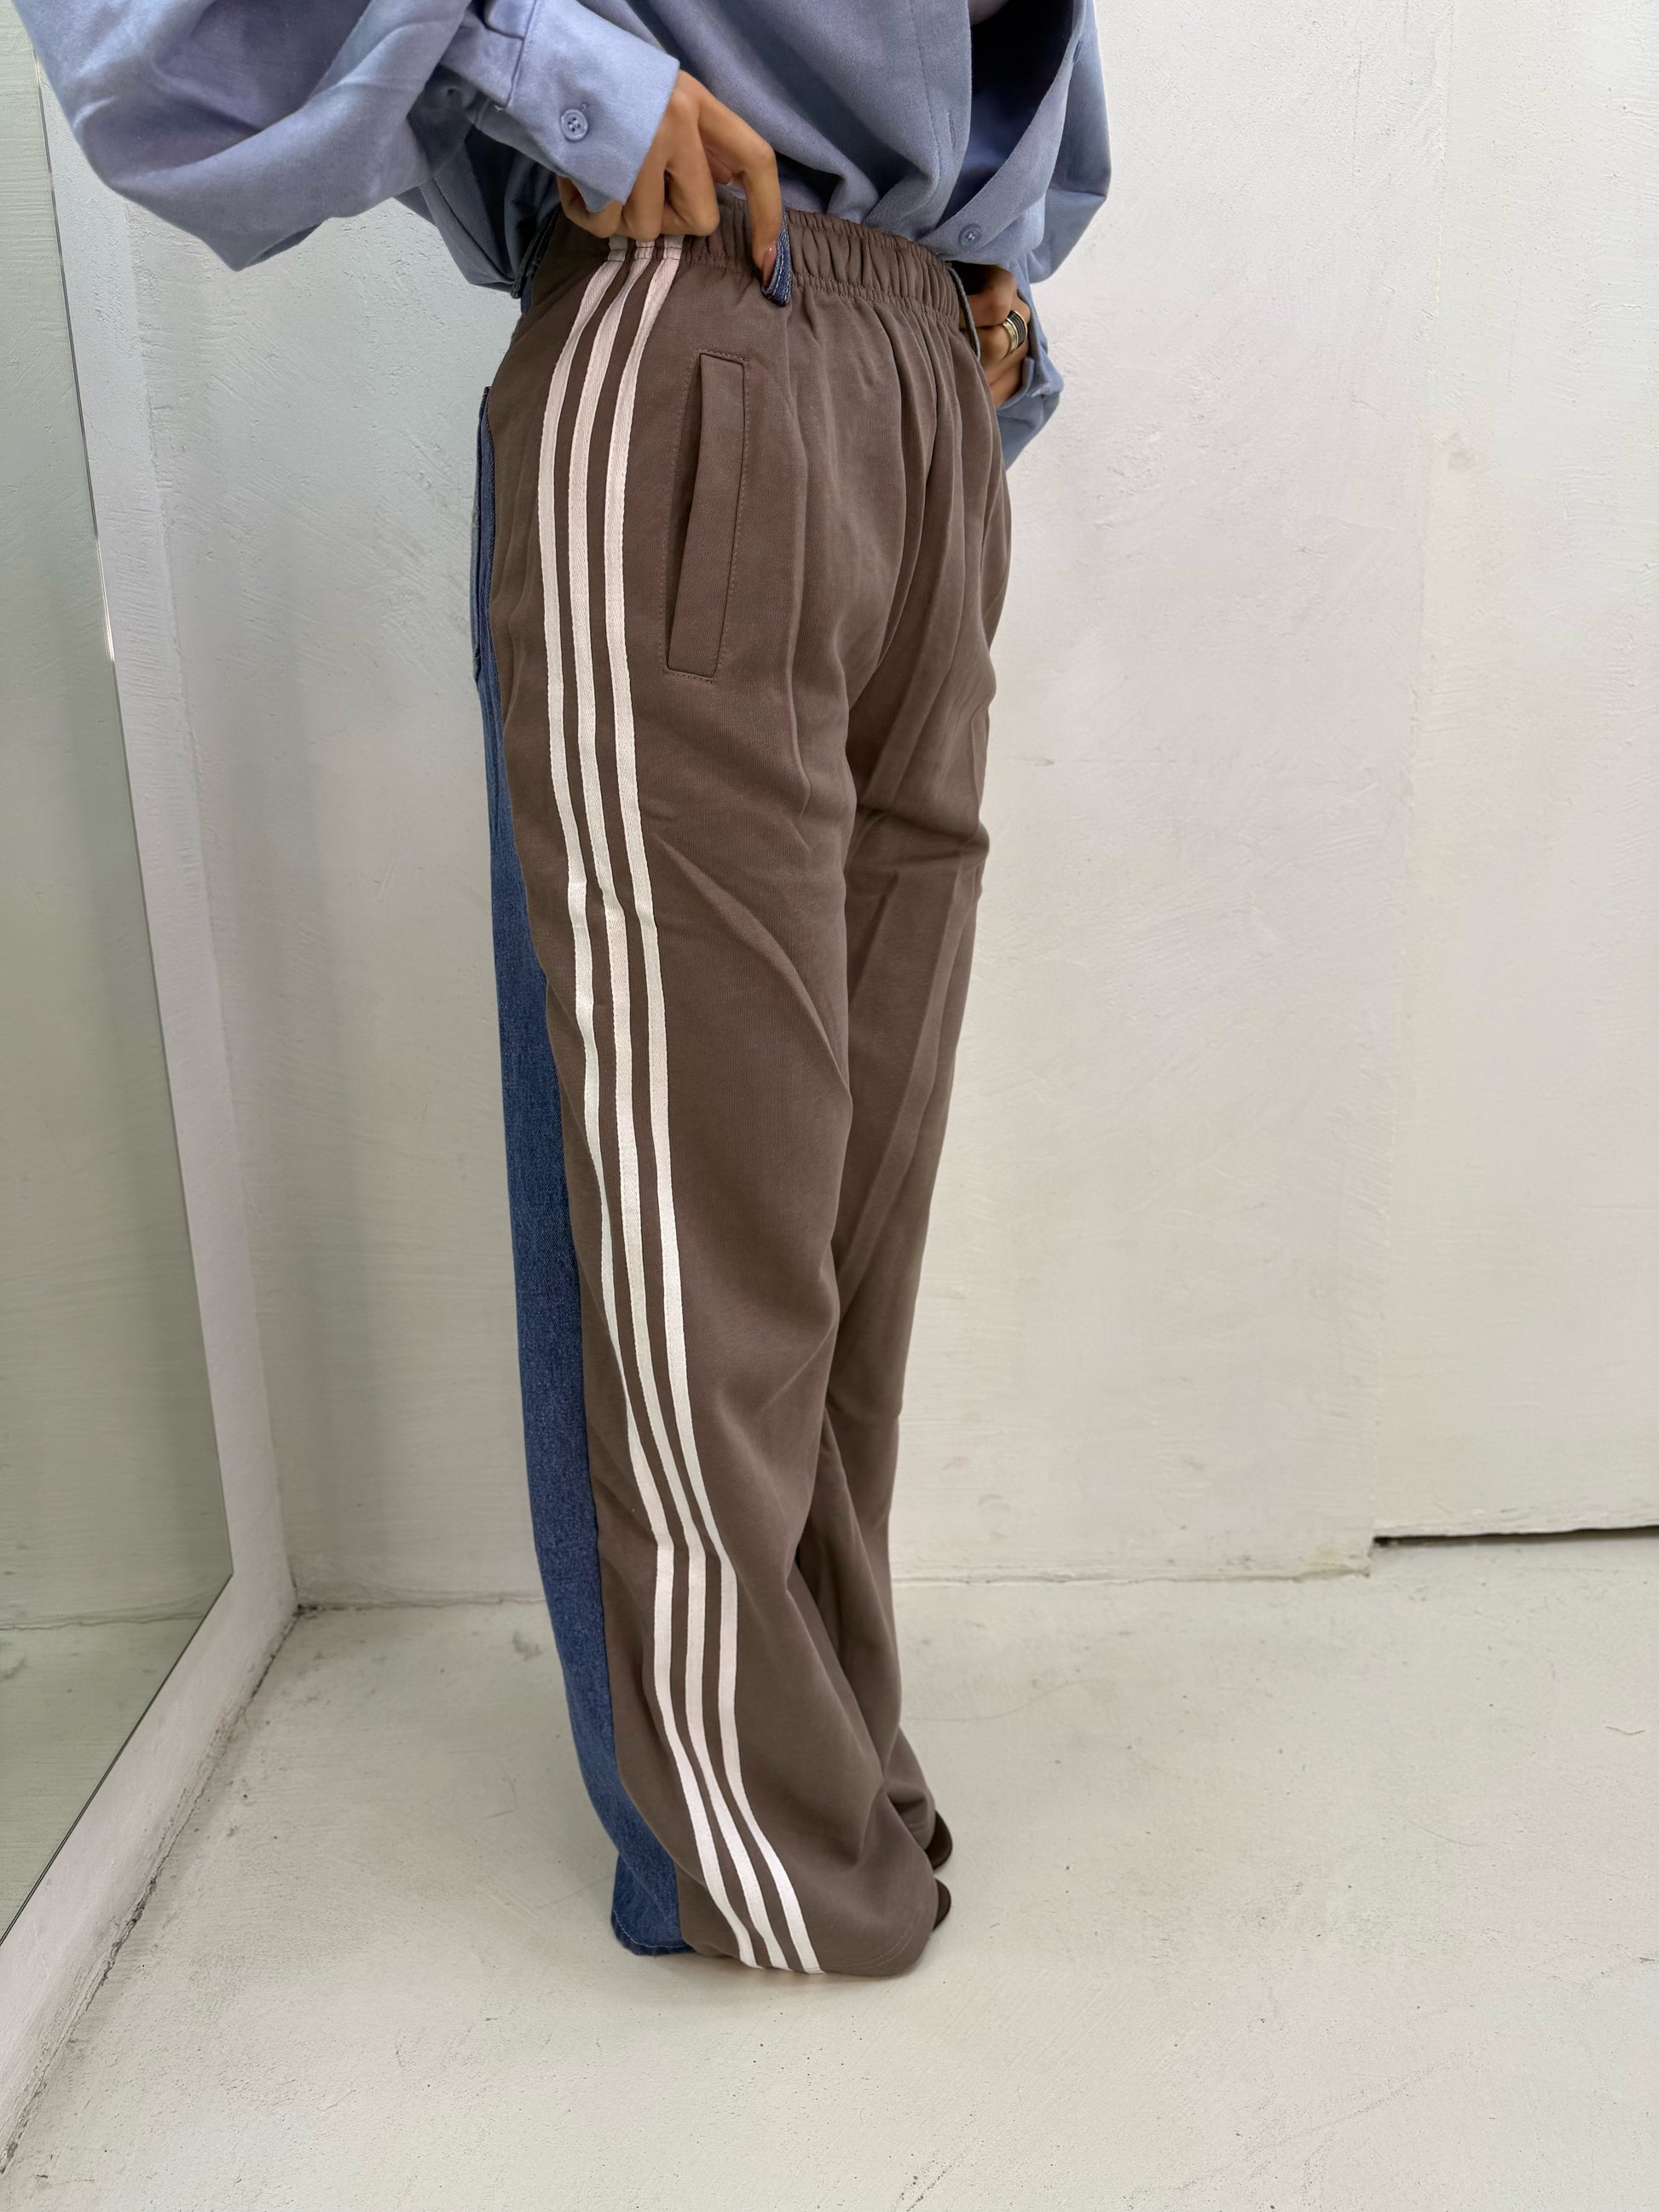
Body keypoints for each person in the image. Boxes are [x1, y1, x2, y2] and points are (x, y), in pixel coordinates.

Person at [25, 0, 1109, 1978]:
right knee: (700, 1191)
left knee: (848, 1193)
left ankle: (826, 1739)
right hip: (700, 313)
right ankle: (734, 1836)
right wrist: (543, 61)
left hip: (922, 367)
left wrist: (992, 272)